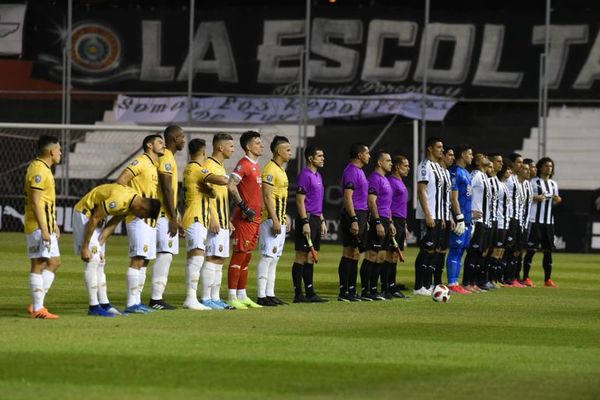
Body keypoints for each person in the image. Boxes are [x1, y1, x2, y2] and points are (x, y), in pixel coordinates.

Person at [73, 183, 161, 317]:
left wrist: (100, 244)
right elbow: (95, 218)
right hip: (85, 215)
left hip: (94, 219)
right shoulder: (119, 200)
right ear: (141, 208)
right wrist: (85, 247)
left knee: (100, 261)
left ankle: (105, 305)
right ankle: (93, 307)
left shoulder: (132, 204)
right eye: (142, 216)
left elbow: (112, 224)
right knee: (93, 259)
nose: (139, 218)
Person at [115, 134, 165, 314]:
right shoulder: (141, 162)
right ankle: (131, 303)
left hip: (151, 220)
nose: (163, 145)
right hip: (139, 219)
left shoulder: (154, 165)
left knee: (145, 260)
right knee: (137, 259)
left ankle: (137, 301)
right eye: (160, 142)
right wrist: (134, 203)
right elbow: (121, 181)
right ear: (149, 145)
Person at [181, 138, 230, 310]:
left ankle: (192, 297)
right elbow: (223, 181)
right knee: (197, 257)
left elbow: (210, 193)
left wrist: (209, 191)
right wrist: (228, 177)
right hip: (196, 217)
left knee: (196, 256)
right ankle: (191, 298)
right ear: (203, 152)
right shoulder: (197, 168)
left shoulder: (189, 168)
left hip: (195, 216)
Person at [24, 135, 62, 319]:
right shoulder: (39, 170)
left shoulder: (43, 168)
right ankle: (38, 308)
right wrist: (45, 229)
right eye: (59, 150)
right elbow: (36, 202)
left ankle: (37, 304)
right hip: (38, 226)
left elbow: (45, 201)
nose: (61, 153)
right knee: (40, 263)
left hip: (44, 224)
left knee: (53, 262)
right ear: (51, 151)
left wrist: (53, 223)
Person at [227, 130, 264, 309]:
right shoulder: (244, 164)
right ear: (248, 146)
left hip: (255, 219)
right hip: (244, 219)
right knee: (239, 255)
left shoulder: (256, 165)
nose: (261, 145)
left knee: (247, 257)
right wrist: (243, 207)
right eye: (257, 143)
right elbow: (231, 185)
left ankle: (242, 295)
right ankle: (231, 296)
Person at [150, 125, 186, 310]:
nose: (184, 140)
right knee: (165, 254)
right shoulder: (166, 157)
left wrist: (176, 215)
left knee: (164, 255)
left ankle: (156, 298)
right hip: (162, 215)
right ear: (174, 139)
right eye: (182, 137)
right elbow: (165, 188)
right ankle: (156, 299)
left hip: (166, 213)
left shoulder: (168, 157)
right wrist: (172, 217)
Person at [200, 133, 236, 310]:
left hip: (223, 220)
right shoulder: (208, 166)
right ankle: (206, 298)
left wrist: (227, 219)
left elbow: (221, 196)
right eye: (230, 146)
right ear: (220, 147)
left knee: (220, 259)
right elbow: (205, 194)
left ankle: (215, 297)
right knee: (212, 257)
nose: (233, 149)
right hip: (214, 220)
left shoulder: (221, 167)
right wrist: (213, 216)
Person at [256, 136, 292, 306]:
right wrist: (275, 219)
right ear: (278, 151)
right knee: (267, 256)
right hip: (270, 219)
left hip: (279, 218)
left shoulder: (281, 170)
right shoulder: (270, 169)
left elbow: (281, 197)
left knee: (274, 258)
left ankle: (270, 293)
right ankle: (261, 295)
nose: (290, 153)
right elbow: (267, 196)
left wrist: (284, 217)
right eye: (287, 150)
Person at [292, 145, 328, 303]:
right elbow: (300, 201)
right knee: (301, 255)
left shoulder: (318, 176)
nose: (323, 158)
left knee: (310, 257)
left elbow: (316, 202)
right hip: (305, 218)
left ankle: (310, 293)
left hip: (315, 218)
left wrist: (322, 220)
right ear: (310, 158)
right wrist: (304, 222)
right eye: (320, 155)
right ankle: (298, 294)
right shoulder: (305, 175)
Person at [337, 143, 371, 302]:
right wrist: (354, 219)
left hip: (361, 214)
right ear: (359, 155)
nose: (369, 156)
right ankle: (344, 292)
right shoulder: (351, 171)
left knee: (356, 253)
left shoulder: (360, 171)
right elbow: (347, 197)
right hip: (354, 214)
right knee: (349, 252)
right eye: (367, 153)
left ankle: (351, 290)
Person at [361, 150, 396, 300]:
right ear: (380, 163)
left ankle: (374, 290)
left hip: (386, 220)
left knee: (381, 257)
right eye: (388, 161)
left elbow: (387, 204)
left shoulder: (385, 179)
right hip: (378, 220)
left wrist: (391, 222)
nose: (391, 163)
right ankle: (365, 290)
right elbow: (371, 201)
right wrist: (377, 222)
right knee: (371, 255)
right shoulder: (375, 178)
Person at [523, 157, 562, 287]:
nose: (549, 168)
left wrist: (557, 200)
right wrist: (535, 197)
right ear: (540, 167)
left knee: (548, 251)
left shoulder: (553, 184)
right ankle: (526, 277)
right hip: (535, 220)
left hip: (549, 222)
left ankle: (547, 279)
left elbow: (553, 201)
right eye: (546, 166)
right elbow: (525, 197)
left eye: (551, 166)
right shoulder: (533, 182)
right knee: (531, 250)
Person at [414, 137, 445, 296]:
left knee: (434, 251)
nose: (442, 149)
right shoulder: (425, 166)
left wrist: (443, 216)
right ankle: (419, 286)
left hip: (438, 215)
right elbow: (421, 191)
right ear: (430, 149)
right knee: (426, 250)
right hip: (428, 215)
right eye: (439, 147)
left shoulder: (438, 167)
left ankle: (427, 284)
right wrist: (428, 214)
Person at [463, 154, 492, 292]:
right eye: (482, 156)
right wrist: (469, 212)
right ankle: (466, 282)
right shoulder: (475, 175)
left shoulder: (484, 176)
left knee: (480, 253)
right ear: (477, 161)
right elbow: (466, 192)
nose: (486, 158)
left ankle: (473, 282)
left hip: (484, 220)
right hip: (476, 220)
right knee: (473, 252)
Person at [446, 144, 473, 294]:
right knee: (455, 250)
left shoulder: (466, 173)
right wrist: (459, 218)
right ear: (463, 154)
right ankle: (451, 283)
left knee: (461, 250)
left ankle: (456, 281)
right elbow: (453, 198)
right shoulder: (455, 172)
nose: (472, 156)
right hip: (459, 218)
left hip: (467, 219)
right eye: (470, 153)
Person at [385, 155, 410, 298]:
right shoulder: (391, 182)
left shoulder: (400, 181)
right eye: (405, 166)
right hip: (393, 220)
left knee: (394, 256)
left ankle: (392, 286)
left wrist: (404, 225)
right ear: (396, 167)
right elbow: (387, 203)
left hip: (401, 220)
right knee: (389, 255)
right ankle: (387, 287)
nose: (408, 169)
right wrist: (390, 222)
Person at [502, 153, 527, 287]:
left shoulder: (516, 180)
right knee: (506, 249)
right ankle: (502, 278)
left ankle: (510, 278)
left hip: (517, 218)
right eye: (518, 162)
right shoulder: (509, 179)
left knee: (514, 250)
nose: (521, 165)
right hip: (510, 217)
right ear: (511, 163)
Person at [435, 145, 455, 287]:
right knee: (433, 250)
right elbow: (435, 197)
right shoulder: (436, 171)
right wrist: (441, 215)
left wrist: (450, 216)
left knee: (443, 250)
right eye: (450, 155)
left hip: (446, 216)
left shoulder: (446, 173)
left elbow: (446, 199)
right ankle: (428, 282)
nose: (452, 158)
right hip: (438, 216)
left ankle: (437, 280)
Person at [518, 159, 534, 286]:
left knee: (520, 251)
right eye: (526, 169)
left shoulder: (527, 184)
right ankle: (506, 277)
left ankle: (515, 277)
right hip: (517, 221)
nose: (529, 171)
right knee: (511, 251)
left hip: (526, 222)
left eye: (529, 169)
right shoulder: (515, 183)